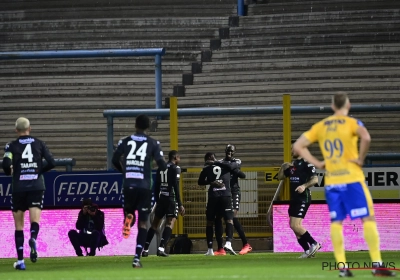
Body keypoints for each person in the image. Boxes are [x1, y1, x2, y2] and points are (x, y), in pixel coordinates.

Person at [293, 92, 396, 277]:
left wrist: (318, 163)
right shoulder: (352, 122)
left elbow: (298, 146)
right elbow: (366, 138)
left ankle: (343, 267)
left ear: (333, 106)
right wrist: (360, 159)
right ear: (347, 105)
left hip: (332, 181)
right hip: (352, 178)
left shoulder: (321, 126)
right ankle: (377, 264)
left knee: (337, 223)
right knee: (367, 219)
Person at [112, 114, 167, 268]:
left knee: (130, 211)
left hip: (128, 183)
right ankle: (136, 258)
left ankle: (129, 216)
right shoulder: (153, 143)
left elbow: (114, 160)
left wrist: (124, 171)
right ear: (148, 127)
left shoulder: (125, 141)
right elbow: (162, 165)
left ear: (135, 125)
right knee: (143, 224)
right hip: (144, 185)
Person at [2, 117, 56, 270]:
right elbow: (52, 162)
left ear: (16, 130)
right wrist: (38, 171)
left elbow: (6, 164)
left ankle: (20, 261)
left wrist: (9, 172)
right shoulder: (39, 143)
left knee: (19, 226)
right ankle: (33, 238)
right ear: (30, 129)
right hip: (36, 186)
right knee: (34, 220)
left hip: (19, 187)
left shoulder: (11, 146)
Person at [277, 140, 321, 258]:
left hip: (303, 198)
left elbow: (315, 180)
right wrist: (283, 167)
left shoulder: (307, 163)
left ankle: (314, 243)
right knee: (293, 226)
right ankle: (307, 250)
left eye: (293, 148)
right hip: (294, 199)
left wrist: (304, 186)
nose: (291, 151)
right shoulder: (293, 166)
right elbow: (280, 177)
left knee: (296, 225)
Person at [198, 152, 243, 256]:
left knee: (210, 222)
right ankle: (228, 243)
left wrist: (211, 182)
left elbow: (200, 182)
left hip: (213, 197)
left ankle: (210, 249)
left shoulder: (206, 168)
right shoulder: (226, 165)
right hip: (225, 196)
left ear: (209, 159)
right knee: (229, 219)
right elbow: (237, 170)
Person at [142, 150, 185, 257]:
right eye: (179, 158)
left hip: (161, 199)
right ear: (175, 157)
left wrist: (158, 200)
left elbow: (156, 186)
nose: (180, 160)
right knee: (170, 223)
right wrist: (180, 204)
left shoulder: (161, 168)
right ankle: (161, 248)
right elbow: (175, 186)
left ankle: (145, 249)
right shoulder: (176, 169)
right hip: (171, 199)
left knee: (154, 224)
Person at [214, 144, 252, 256]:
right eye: (228, 150)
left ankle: (244, 244)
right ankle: (222, 247)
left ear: (234, 152)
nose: (229, 153)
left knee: (233, 216)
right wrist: (230, 167)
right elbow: (233, 170)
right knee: (221, 218)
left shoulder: (237, 161)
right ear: (225, 150)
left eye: (232, 151)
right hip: (224, 193)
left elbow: (232, 167)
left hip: (234, 192)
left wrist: (221, 164)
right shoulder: (222, 162)